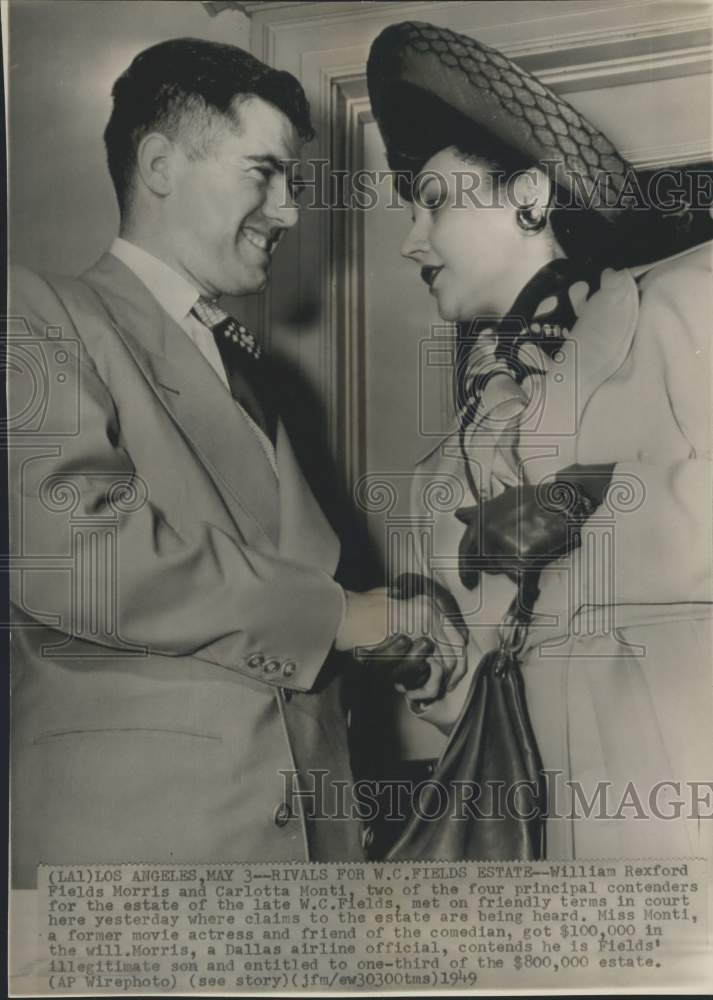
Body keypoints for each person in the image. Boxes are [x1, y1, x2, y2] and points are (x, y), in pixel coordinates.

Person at [8, 37, 465, 887]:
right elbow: (79, 555)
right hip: (140, 853)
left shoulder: (255, 369)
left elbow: (271, 595)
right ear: (158, 165)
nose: (288, 210)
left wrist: (372, 634)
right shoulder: (36, 312)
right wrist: (340, 618)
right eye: (263, 172)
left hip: (304, 856)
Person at [367, 21, 713, 858]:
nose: (413, 239)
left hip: (676, 799)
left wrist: (589, 502)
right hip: (532, 823)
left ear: (528, 195)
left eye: (437, 201)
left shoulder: (687, 297)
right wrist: (432, 666)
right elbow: (478, 685)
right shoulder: (444, 465)